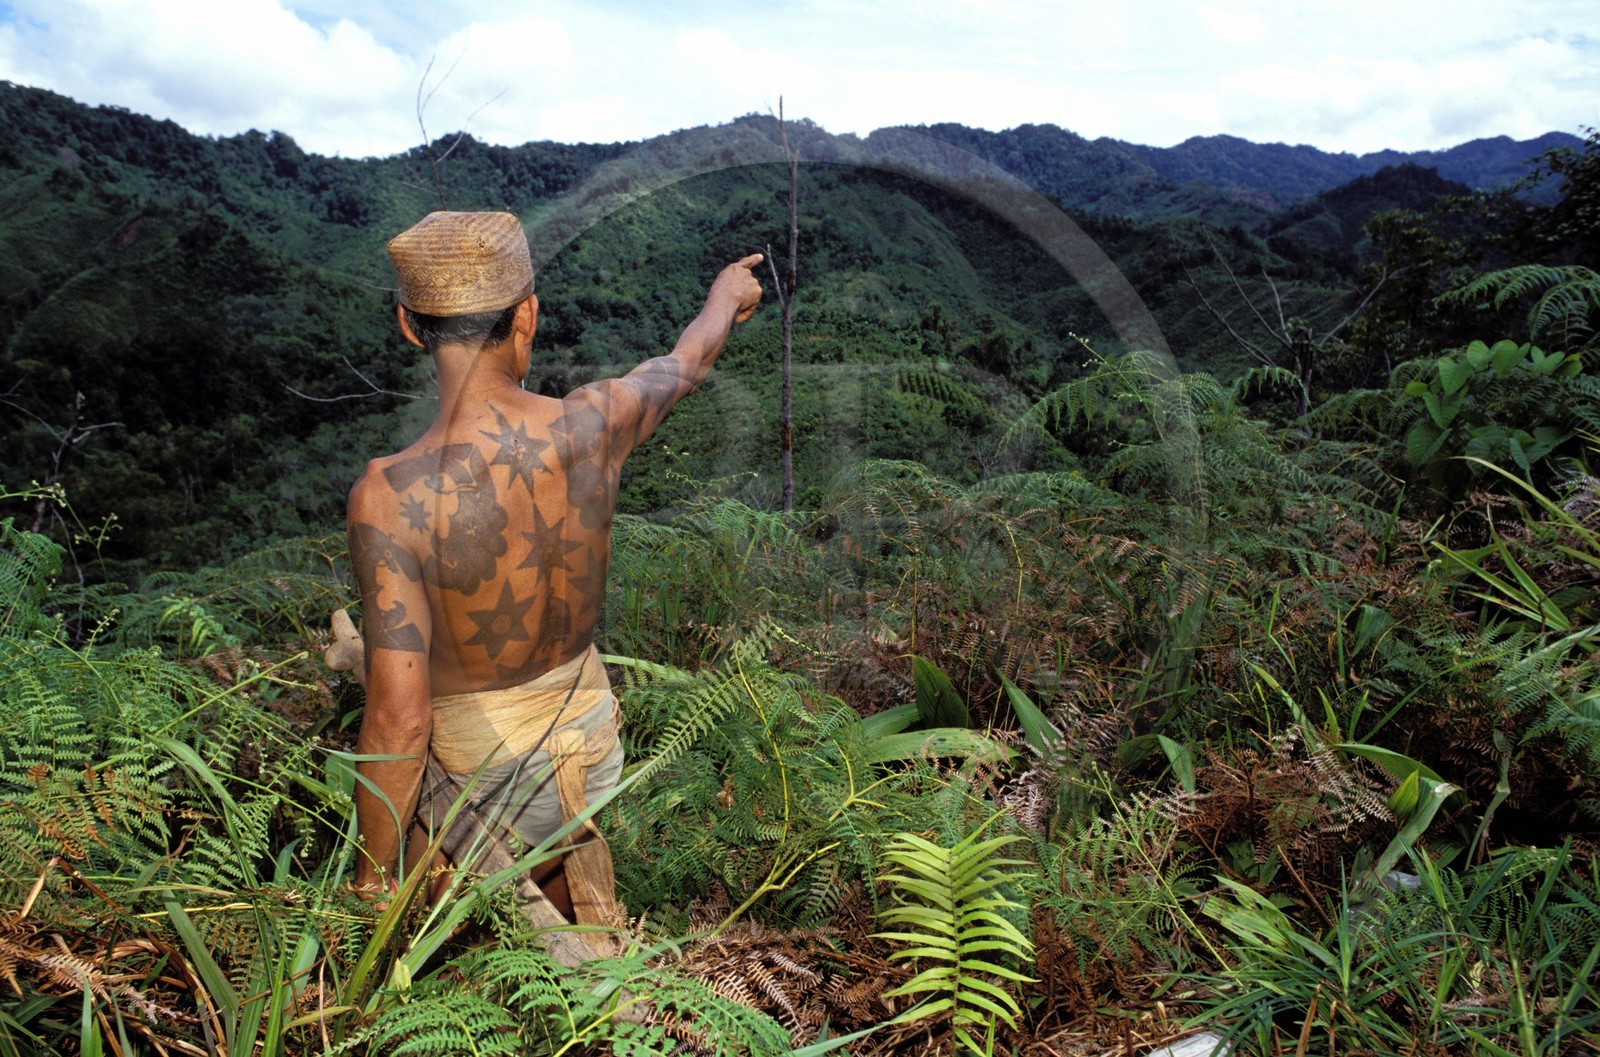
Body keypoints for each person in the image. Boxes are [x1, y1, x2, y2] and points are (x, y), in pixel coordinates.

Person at [343, 210, 761, 940]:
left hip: (488, 778)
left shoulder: (390, 496)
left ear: (410, 326)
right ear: (528, 313)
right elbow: (683, 364)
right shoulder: (593, 425)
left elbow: (399, 719)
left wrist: (369, 884)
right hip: (596, 757)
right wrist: (725, 296)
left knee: (409, 893)